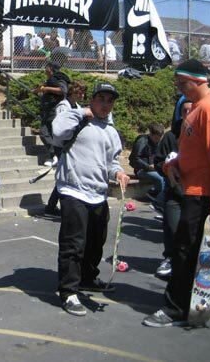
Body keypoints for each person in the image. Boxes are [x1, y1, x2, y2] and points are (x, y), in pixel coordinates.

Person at [143, 59, 210, 327]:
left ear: (200, 80)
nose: (179, 88)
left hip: (204, 195)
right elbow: (195, 152)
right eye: (178, 83)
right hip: (199, 191)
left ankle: (176, 308)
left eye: (183, 83)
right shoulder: (196, 109)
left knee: (184, 250)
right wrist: (173, 164)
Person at [53, 82, 130, 316]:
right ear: (92, 100)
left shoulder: (111, 132)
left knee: (96, 242)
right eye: (101, 99)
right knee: (73, 244)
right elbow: (57, 132)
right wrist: (81, 112)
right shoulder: (77, 119)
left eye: (110, 100)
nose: (106, 104)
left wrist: (117, 173)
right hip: (73, 190)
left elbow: (112, 162)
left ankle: (87, 278)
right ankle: (69, 291)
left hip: (98, 194)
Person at [152, 99, 192, 278]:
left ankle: (189, 263)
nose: (188, 114)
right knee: (173, 227)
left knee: (192, 234)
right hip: (174, 193)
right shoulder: (170, 136)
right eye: (185, 111)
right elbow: (158, 160)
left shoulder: (202, 134)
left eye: (192, 110)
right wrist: (167, 168)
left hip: (195, 193)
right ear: (179, 113)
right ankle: (170, 258)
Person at [42, 80, 87, 216]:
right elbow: (61, 127)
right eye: (80, 93)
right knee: (65, 176)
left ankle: (51, 206)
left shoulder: (77, 106)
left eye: (84, 93)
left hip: (74, 144)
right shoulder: (63, 106)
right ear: (73, 92)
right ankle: (54, 206)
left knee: (67, 176)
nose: (82, 96)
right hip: (62, 145)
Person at [33, 60, 69, 167]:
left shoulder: (57, 77)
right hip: (48, 110)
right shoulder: (51, 79)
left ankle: (56, 154)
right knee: (47, 133)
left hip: (54, 110)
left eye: (46, 67)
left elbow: (63, 90)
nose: (45, 69)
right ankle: (55, 155)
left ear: (50, 69)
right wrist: (38, 90)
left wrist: (45, 89)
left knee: (46, 133)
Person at [129, 123, 166, 212]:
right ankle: (157, 199)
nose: (157, 141)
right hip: (141, 169)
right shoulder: (142, 141)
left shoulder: (159, 142)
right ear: (151, 134)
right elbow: (135, 158)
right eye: (156, 138)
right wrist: (147, 166)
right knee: (160, 178)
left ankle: (160, 197)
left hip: (154, 168)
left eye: (159, 138)